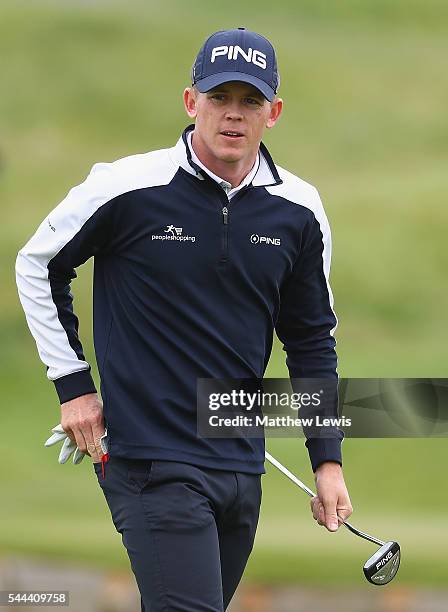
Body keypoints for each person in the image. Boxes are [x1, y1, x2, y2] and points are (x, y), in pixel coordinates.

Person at [16, 27, 353, 611]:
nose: (233, 115)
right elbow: (38, 266)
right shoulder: (127, 187)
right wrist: (74, 388)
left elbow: (310, 342)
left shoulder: (299, 211)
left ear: (273, 113)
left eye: (249, 101)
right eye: (219, 98)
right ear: (190, 101)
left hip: (240, 463)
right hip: (149, 458)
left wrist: (327, 462)